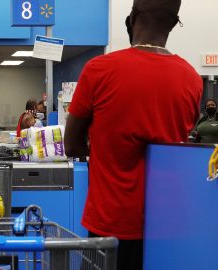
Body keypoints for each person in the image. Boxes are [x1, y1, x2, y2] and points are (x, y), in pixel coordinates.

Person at [64, 0, 202, 269]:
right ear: (174, 24)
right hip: (165, 224)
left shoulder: (99, 69)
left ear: (132, 19)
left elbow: (72, 146)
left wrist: (104, 148)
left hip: (110, 223)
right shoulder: (192, 79)